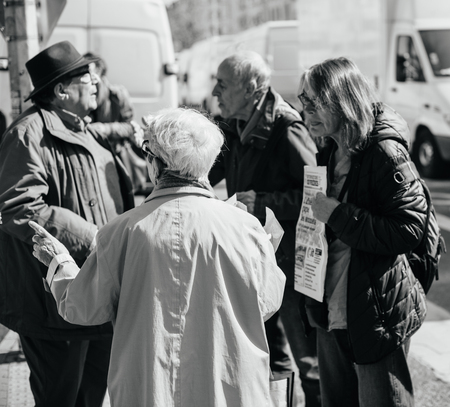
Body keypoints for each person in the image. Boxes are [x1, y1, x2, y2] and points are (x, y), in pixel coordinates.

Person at [29, 107, 287, 407]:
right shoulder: (246, 227)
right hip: (229, 391)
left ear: (155, 163)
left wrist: (60, 263)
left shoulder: (122, 231)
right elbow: (268, 303)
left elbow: (82, 307)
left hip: (150, 391)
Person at [0, 41, 134, 407]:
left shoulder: (84, 128)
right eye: (86, 77)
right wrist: (96, 237)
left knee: (92, 395)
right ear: (61, 91)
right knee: (60, 398)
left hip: (96, 294)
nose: (96, 82)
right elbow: (20, 207)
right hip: (52, 305)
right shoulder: (28, 133)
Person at [297, 56, 428, 407]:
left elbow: (409, 229)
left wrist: (338, 214)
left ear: (341, 100)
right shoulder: (329, 150)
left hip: (376, 312)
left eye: (313, 100)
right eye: (302, 100)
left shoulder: (383, 151)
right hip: (331, 309)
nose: (304, 109)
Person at [210, 50, 321, 406]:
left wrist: (264, 202)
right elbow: (202, 173)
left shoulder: (288, 127)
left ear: (252, 87)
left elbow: (317, 197)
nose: (215, 92)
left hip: (288, 264)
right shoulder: (233, 125)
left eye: (223, 84)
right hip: (255, 258)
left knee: (309, 360)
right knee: (268, 352)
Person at [84, 52, 148, 194]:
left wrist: (105, 129)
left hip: (116, 158)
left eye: (86, 69)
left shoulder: (117, 94)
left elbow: (131, 127)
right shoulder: (83, 95)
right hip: (92, 160)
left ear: (99, 71)